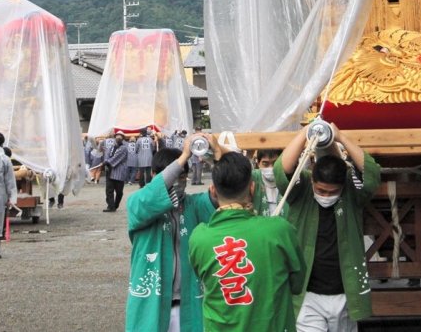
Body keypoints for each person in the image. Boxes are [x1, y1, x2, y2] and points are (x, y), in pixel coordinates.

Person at [276, 122, 382, 331]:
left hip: (345, 293)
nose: (325, 196)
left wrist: (340, 137)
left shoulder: (352, 193)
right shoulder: (302, 190)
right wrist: (304, 133)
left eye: (332, 192)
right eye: (321, 190)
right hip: (307, 295)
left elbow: (372, 174)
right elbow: (283, 170)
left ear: (342, 187)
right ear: (312, 179)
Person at [189, 150, 305, 331]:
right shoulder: (280, 230)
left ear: (213, 189)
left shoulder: (199, 237)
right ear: (252, 188)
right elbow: (297, 284)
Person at [126, 135, 217, 332]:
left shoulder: (195, 204)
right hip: (153, 303)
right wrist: (184, 156)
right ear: (153, 174)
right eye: (171, 176)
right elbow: (151, 195)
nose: (177, 182)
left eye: (182, 177)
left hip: (188, 303)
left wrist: (216, 155)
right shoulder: (138, 203)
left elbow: (228, 188)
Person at [251, 149, 285, 217]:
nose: (271, 168)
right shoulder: (253, 177)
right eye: (265, 164)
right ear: (258, 164)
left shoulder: (288, 178)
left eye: (275, 163)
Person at [104, 132, 129, 212]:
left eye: (120, 136)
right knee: (109, 190)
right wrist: (106, 163)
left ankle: (116, 205)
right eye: (117, 136)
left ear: (122, 138)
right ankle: (111, 206)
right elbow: (106, 156)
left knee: (119, 192)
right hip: (109, 171)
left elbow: (117, 157)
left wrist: (107, 162)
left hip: (119, 172)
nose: (118, 137)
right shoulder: (111, 147)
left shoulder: (123, 148)